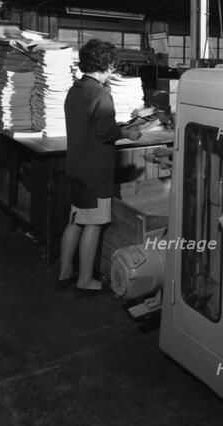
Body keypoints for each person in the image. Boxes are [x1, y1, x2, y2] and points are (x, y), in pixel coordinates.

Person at [57, 39, 142, 296]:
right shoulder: (101, 94)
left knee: (75, 220)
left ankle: (65, 273)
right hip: (95, 171)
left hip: (76, 166)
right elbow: (106, 132)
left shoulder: (75, 90)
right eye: (112, 66)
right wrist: (129, 132)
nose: (113, 71)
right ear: (106, 65)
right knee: (93, 224)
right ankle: (85, 280)